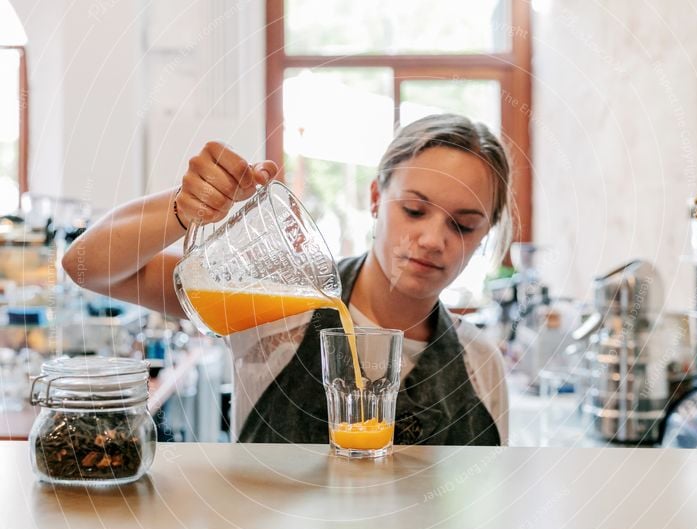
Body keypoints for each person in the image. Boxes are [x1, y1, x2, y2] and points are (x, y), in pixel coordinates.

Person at [62, 114, 513, 445]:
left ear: (486, 233)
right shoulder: (280, 307)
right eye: (414, 210)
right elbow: (86, 266)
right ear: (377, 198)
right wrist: (185, 207)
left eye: (464, 224)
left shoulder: (480, 365)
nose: (433, 239)